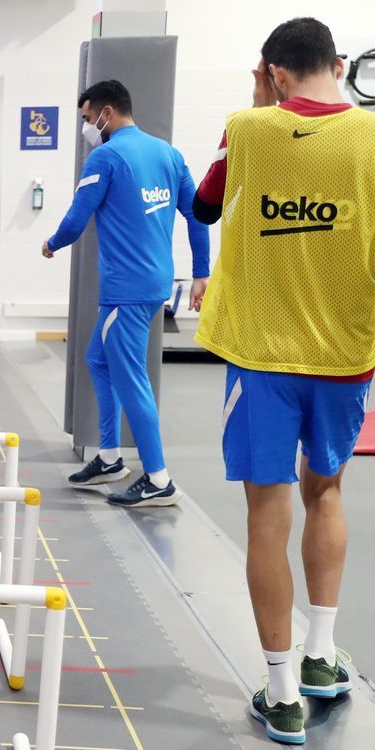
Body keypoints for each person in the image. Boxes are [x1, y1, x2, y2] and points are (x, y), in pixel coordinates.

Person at [192, 18, 375, 744]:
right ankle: (322, 657)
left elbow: (205, 205)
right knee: (325, 490)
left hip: (262, 357)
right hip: (345, 355)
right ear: (337, 63)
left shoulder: (249, 128)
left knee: (266, 513)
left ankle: (279, 692)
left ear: (272, 72)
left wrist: (259, 104)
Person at [43, 79, 210, 507]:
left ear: (107, 113)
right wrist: (200, 273)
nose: (87, 128)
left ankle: (158, 479)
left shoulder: (107, 155)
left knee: (131, 378)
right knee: (97, 359)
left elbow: (77, 219)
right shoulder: (168, 154)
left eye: (87, 119)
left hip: (126, 292)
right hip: (153, 284)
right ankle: (110, 458)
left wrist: (52, 244)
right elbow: (198, 216)